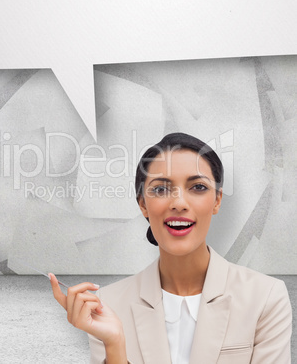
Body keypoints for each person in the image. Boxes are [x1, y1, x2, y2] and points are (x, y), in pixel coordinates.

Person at [49, 132, 292, 364]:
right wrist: (115, 344)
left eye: (197, 187)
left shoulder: (266, 297)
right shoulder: (107, 304)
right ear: (143, 204)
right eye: (161, 189)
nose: (178, 203)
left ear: (217, 200)